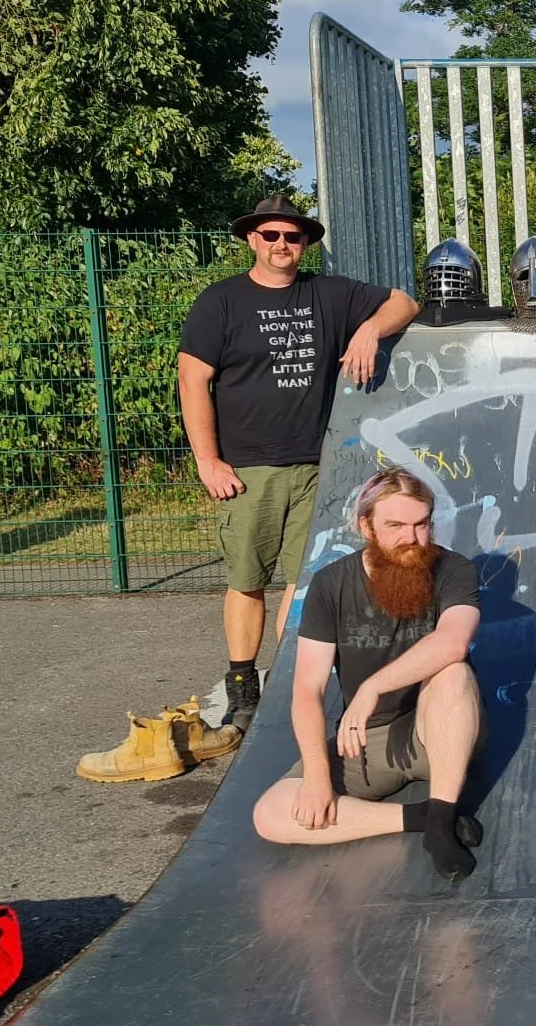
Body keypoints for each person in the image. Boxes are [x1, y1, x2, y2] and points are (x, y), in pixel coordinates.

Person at [178, 196, 419, 731]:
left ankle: (286, 680)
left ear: (305, 243)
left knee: (300, 579)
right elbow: (193, 380)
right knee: (246, 579)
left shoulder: (327, 294)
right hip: (247, 467)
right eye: (271, 236)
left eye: (292, 237)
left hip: (316, 464)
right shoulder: (220, 302)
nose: (282, 246)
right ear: (251, 240)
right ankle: (242, 683)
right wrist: (208, 461)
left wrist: (368, 329)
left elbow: (405, 301)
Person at [250, 468, 486, 880]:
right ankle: (423, 817)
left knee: (453, 673)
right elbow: (307, 689)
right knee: (272, 815)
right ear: (366, 525)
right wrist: (319, 777)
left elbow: (453, 642)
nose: (410, 538)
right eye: (394, 525)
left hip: (442, 729)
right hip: (369, 740)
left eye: (421, 525)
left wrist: (372, 687)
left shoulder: (454, 569)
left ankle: (442, 815)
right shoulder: (331, 584)